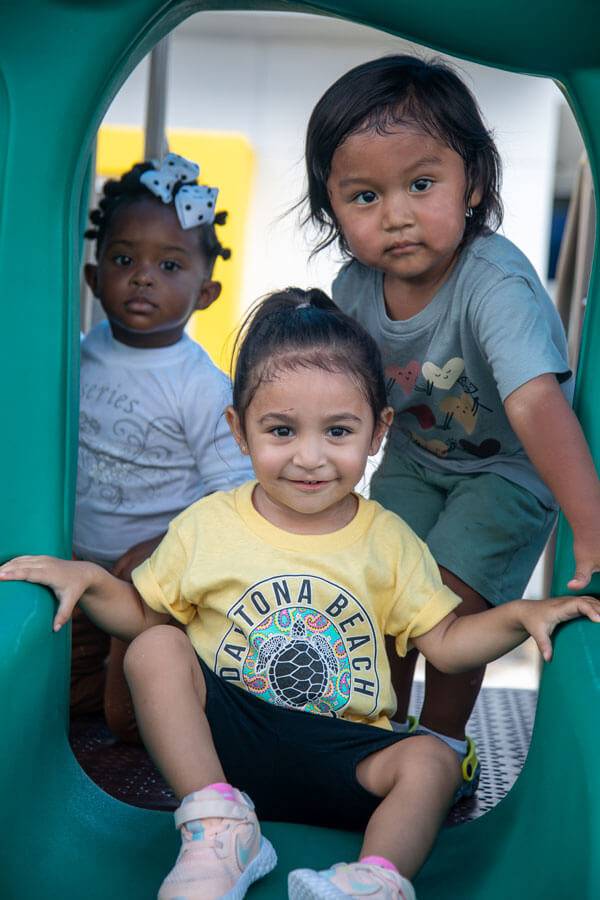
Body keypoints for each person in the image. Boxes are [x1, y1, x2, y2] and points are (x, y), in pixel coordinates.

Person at [1, 288, 599, 900]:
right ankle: (219, 830)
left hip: (347, 757)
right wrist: (93, 581)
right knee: (154, 647)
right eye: (281, 430)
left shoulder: (387, 541)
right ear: (238, 430)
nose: (309, 459)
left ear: (377, 432)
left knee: (432, 762)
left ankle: (372, 881)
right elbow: (140, 614)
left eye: (338, 431)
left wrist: (520, 616)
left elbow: (445, 644)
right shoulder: (208, 525)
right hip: (227, 747)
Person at [301, 54, 600, 791]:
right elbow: (349, 401)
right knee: (382, 590)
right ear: (332, 209)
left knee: (451, 603)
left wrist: (589, 529)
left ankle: (443, 744)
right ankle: (381, 731)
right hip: (416, 457)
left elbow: (535, 403)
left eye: (421, 184)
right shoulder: (354, 286)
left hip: (505, 468)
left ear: (474, 184)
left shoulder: (491, 281)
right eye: (365, 195)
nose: (396, 214)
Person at [72, 153, 253, 739]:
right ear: (95, 278)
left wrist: (162, 544)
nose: (143, 276)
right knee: (59, 697)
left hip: (148, 582)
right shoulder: (71, 355)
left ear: (206, 292)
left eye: (169, 264)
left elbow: (236, 492)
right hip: (70, 567)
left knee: (128, 720)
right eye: (124, 259)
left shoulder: (200, 386)